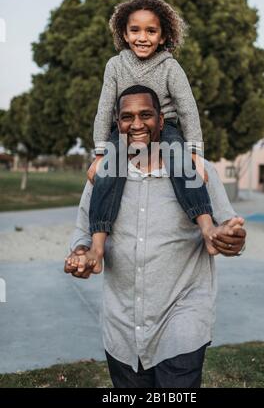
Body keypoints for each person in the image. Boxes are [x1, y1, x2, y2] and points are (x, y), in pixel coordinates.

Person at [65, 88, 246, 388]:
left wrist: (233, 239)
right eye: (127, 117)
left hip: (182, 318)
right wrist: (83, 253)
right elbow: (83, 231)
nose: (136, 124)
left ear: (162, 121)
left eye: (146, 115)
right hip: (121, 327)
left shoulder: (199, 172)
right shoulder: (103, 176)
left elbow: (227, 227)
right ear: (117, 124)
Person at [88, 0, 222, 261]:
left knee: (180, 162)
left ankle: (208, 228)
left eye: (151, 31)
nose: (142, 37)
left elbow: (187, 108)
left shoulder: (170, 67)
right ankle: (97, 245)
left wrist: (195, 153)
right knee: (108, 172)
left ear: (162, 36)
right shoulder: (115, 66)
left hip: (166, 127)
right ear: (124, 34)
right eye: (135, 30)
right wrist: (100, 154)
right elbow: (104, 108)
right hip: (124, 131)